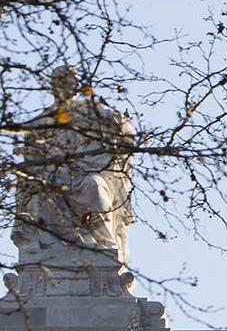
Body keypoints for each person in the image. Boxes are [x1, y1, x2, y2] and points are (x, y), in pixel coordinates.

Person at [13, 67, 136, 258]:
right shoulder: (42, 121)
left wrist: (118, 124)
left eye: (69, 81)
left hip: (86, 173)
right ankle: (48, 247)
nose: (64, 86)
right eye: (59, 82)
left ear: (76, 86)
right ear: (53, 86)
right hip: (53, 178)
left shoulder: (90, 113)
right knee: (40, 192)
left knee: (94, 186)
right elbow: (32, 159)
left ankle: (103, 245)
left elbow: (127, 131)